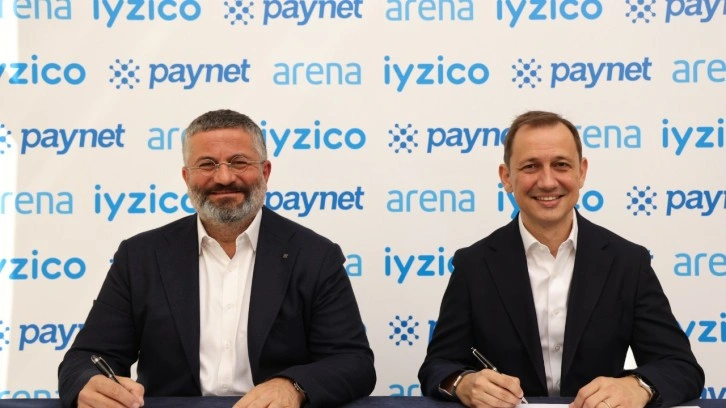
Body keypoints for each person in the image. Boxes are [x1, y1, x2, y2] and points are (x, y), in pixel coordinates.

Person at [58, 109, 376, 408]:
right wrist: (88, 382)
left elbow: (354, 362)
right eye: (207, 164)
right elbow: (86, 358)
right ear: (186, 177)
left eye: (239, 162)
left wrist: (292, 386)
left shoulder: (315, 256)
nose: (224, 177)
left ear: (265, 172)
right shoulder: (140, 257)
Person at [418, 111, 703, 408]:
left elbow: (681, 366)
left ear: (581, 172)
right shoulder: (473, 266)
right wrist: (463, 383)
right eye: (530, 166)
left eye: (561, 165)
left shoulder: (628, 263)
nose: (547, 181)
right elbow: (438, 366)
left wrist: (638, 387)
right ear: (506, 177)